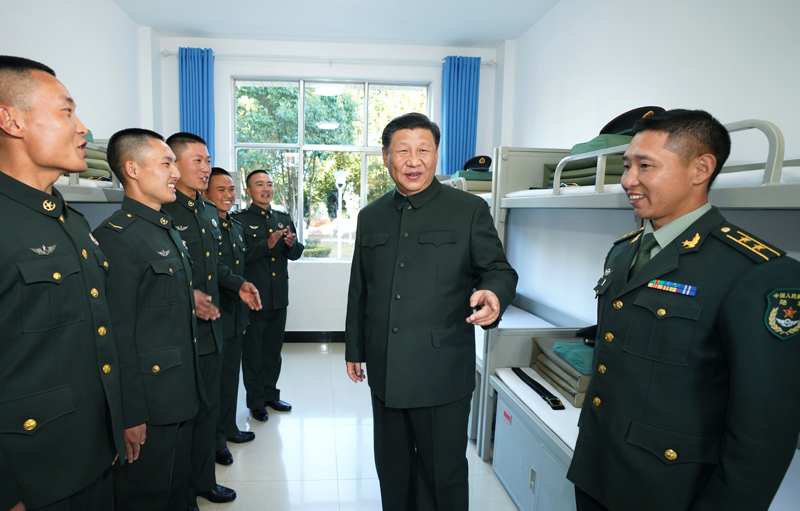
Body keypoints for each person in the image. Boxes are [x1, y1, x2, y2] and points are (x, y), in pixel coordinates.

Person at [567, 109, 800, 511]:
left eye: (645, 166)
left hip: (669, 487)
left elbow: (765, 428)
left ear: (701, 169)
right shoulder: (623, 252)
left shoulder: (756, 273)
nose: (628, 180)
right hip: (597, 467)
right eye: (626, 165)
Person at [344, 112, 518, 510]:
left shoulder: (467, 209)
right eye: (402, 150)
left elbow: (498, 269)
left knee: (443, 474)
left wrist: (493, 294)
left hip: (442, 370)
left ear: (436, 155)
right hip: (386, 367)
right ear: (386, 156)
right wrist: (355, 348)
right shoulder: (371, 216)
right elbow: (360, 288)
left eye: (423, 150)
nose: (413, 160)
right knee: (393, 468)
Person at [0, 55, 124, 511]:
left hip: (90, 453)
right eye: (67, 112)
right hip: (30, 475)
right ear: (11, 120)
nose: (83, 129)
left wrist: (111, 431)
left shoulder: (69, 220)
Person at [93, 128, 203, 510]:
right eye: (166, 163)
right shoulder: (117, 237)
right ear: (133, 169)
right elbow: (116, 335)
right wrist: (129, 414)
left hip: (179, 393)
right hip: (149, 405)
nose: (176, 172)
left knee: (177, 491)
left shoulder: (163, 227)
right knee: (147, 497)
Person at [162, 132, 261, 509]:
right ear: (174, 164)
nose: (205, 168)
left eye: (208, 160)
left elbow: (213, 266)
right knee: (184, 417)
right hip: (179, 333)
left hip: (211, 328)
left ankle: (204, 481)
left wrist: (238, 285)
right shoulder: (164, 209)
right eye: (198, 161)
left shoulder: (204, 212)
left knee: (207, 411)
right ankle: (182, 490)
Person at [234, 170, 304, 421]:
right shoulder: (239, 221)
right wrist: (267, 244)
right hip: (254, 298)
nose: (266, 189)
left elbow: (296, 253)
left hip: (278, 297)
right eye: (259, 184)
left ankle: (271, 396)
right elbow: (238, 258)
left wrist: (291, 245)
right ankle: (255, 402)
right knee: (253, 353)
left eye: (269, 184)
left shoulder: (283, 218)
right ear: (248, 191)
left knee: (273, 352)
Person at [202, 167, 256, 466]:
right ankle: (215, 441)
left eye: (231, 189)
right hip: (213, 315)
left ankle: (229, 428)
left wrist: (243, 317)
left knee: (230, 379)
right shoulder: (204, 226)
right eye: (221, 189)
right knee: (214, 385)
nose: (228, 195)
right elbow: (217, 271)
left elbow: (241, 271)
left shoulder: (234, 226)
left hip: (235, 314)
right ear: (205, 193)